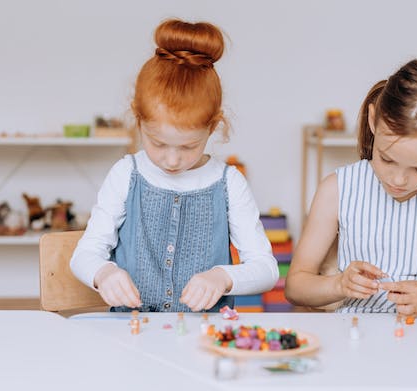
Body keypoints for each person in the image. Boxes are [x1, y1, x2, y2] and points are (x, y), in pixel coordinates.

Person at [71, 19, 278, 313]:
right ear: (138, 120)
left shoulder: (229, 182)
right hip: (133, 337)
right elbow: (85, 253)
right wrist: (103, 273)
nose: (171, 160)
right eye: (157, 143)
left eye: (188, 147)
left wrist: (223, 277)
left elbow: (266, 269)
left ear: (213, 127)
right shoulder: (126, 174)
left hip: (204, 342)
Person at [285, 59, 417, 316]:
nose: (398, 180)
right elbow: (296, 286)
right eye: (387, 159)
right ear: (373, 120)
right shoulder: (338, 188)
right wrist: (338, 284)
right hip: (359, 340)